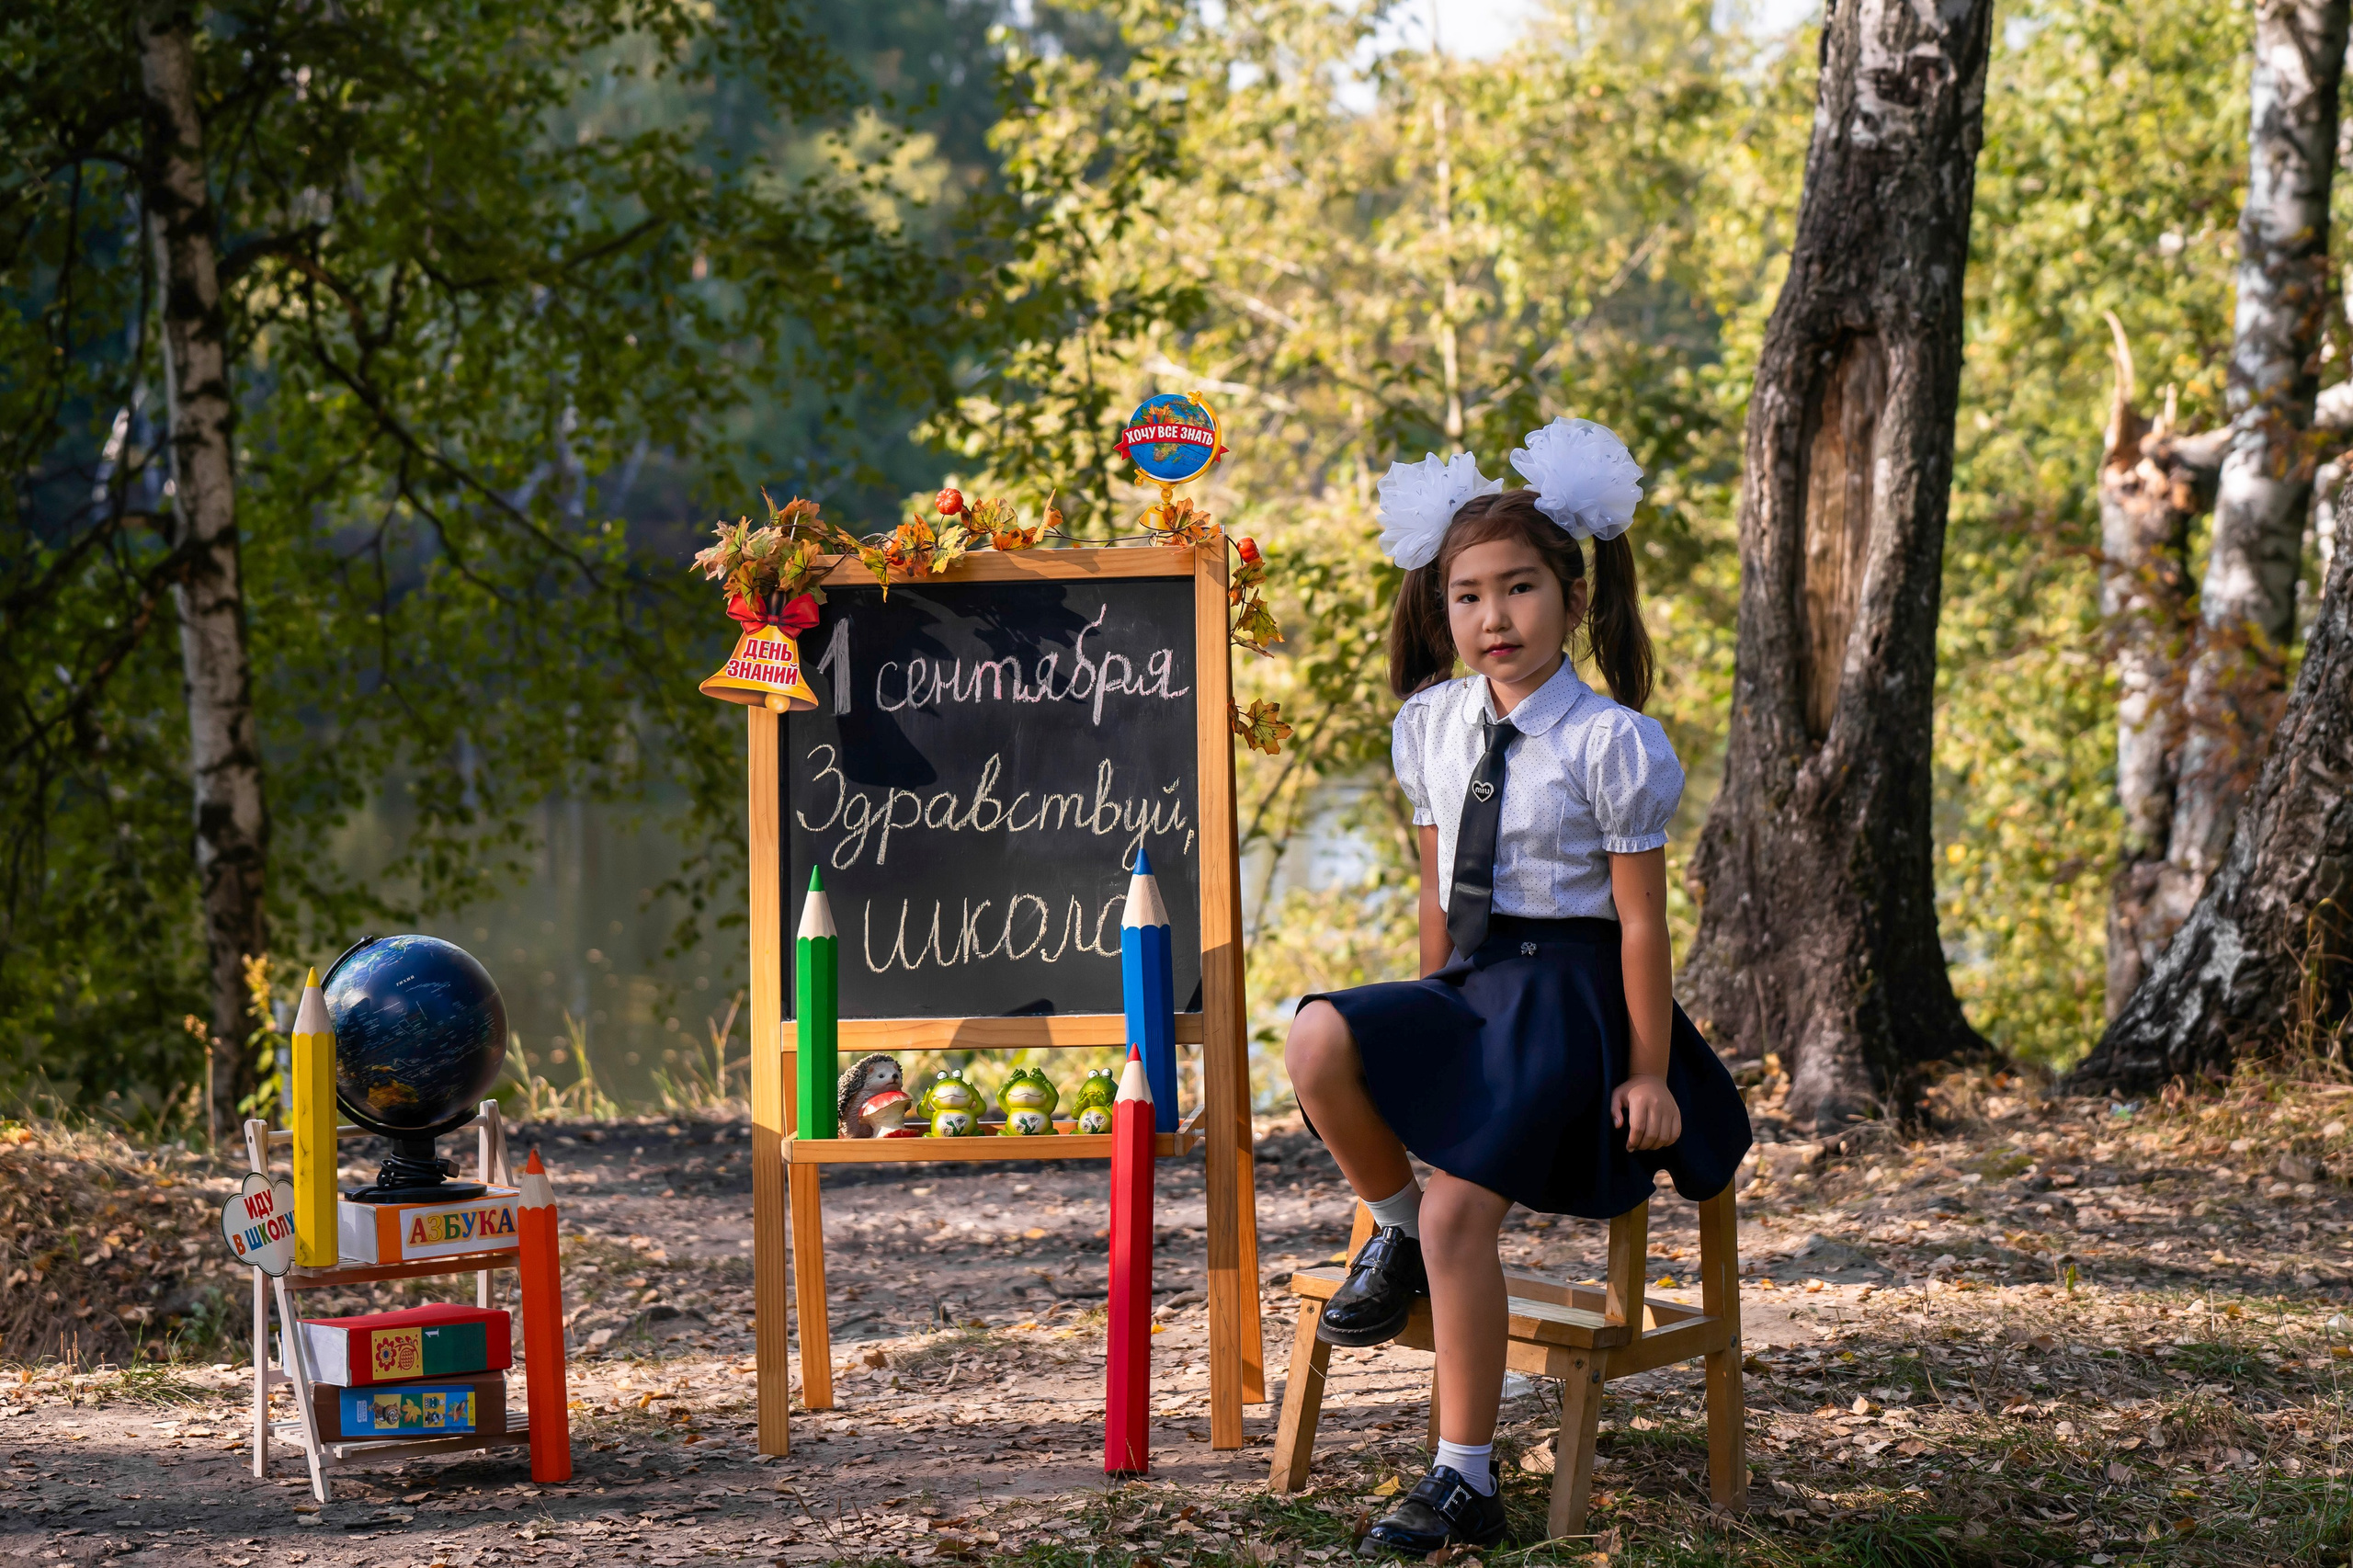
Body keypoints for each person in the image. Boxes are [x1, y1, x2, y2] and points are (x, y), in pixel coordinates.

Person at [1285, 417, 1752, 1554]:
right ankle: (1391, 1227)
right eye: (1467, 595)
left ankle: (1464, 1477)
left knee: (1464, 1209)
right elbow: (1440, 901)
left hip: (1576, 1002)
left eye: (1520, 589)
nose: (1493, 618)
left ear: (1573, 597)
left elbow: (1641, 921)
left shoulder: (1610, 742)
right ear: (1440, 607)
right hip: (1475, 986)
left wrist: (1647, 1066)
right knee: (1313, 1034)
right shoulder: (1433, 726)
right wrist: (1427, 1015)